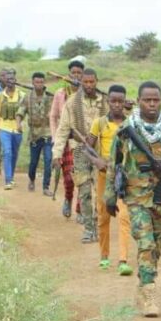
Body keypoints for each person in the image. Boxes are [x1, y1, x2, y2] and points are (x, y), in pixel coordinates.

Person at [105, 81, 161, 317]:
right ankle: (150, 293)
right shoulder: (127, 129)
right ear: (139, 100)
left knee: (158, 245)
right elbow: (114, 164)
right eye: (147, 100)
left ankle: (144, 283)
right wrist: (110, 197)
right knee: (146, 243)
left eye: (156, 100)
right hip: (136, 197)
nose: (152, 104)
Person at [52, 68, 107, 243]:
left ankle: (98, 227)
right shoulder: (72, 103)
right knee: (84, 191)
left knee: (101, 193)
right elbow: (62, 130)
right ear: (81, 82)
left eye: (92, 82)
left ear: (96, 81)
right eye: (86, 82)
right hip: (80, 151)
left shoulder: (104, 102)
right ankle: (88, 229)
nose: (89, 85)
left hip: (101, 153)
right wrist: (56, 154)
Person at [87, 84, 132, 276]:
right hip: (104, 176)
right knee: (103, 216)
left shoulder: (130, 124)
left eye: (120, 101)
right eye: (113, 101)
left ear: (124, 102)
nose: (116, 105)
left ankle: (123, 260)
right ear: (108, 101)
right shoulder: (99, 123)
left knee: (124, 216)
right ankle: (104, 257)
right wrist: (96, 160)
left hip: (123, 177)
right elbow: (87, 148)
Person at [49, 60, 84, 219]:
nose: (76, 75)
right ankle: (68, 199)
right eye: (73, 72)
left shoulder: (87, 94)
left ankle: (80, 209)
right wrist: (56, 138)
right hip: (65, 141)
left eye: (79, 73)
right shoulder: (60, 94)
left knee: (82, 177)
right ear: (68, 74)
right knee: (69, 178)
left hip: (82, 142)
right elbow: (53, 117)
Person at [16, 72, 53, 195]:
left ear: (44, 83)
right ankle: (31, 179)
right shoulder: (27, 98)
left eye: (41, 82)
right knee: (33, 162)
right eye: (37, 82)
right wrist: (18, 124)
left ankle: (46, 187)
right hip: (34, 135)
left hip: (47, 132)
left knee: (48, 160)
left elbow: (57, 113)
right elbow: (20, 112)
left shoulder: (49, 97)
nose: (39, 84)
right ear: (32, 83)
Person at [0, 71, 24, 190]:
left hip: (18, 130)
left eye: (12, 79)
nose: (10, 81)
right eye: (8, 79)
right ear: (4, 81)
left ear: (15, 80)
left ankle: (11, 176)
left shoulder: (22, 95)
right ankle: (8, 180)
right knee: (7, 152)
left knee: (14, 154)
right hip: (4, 129)